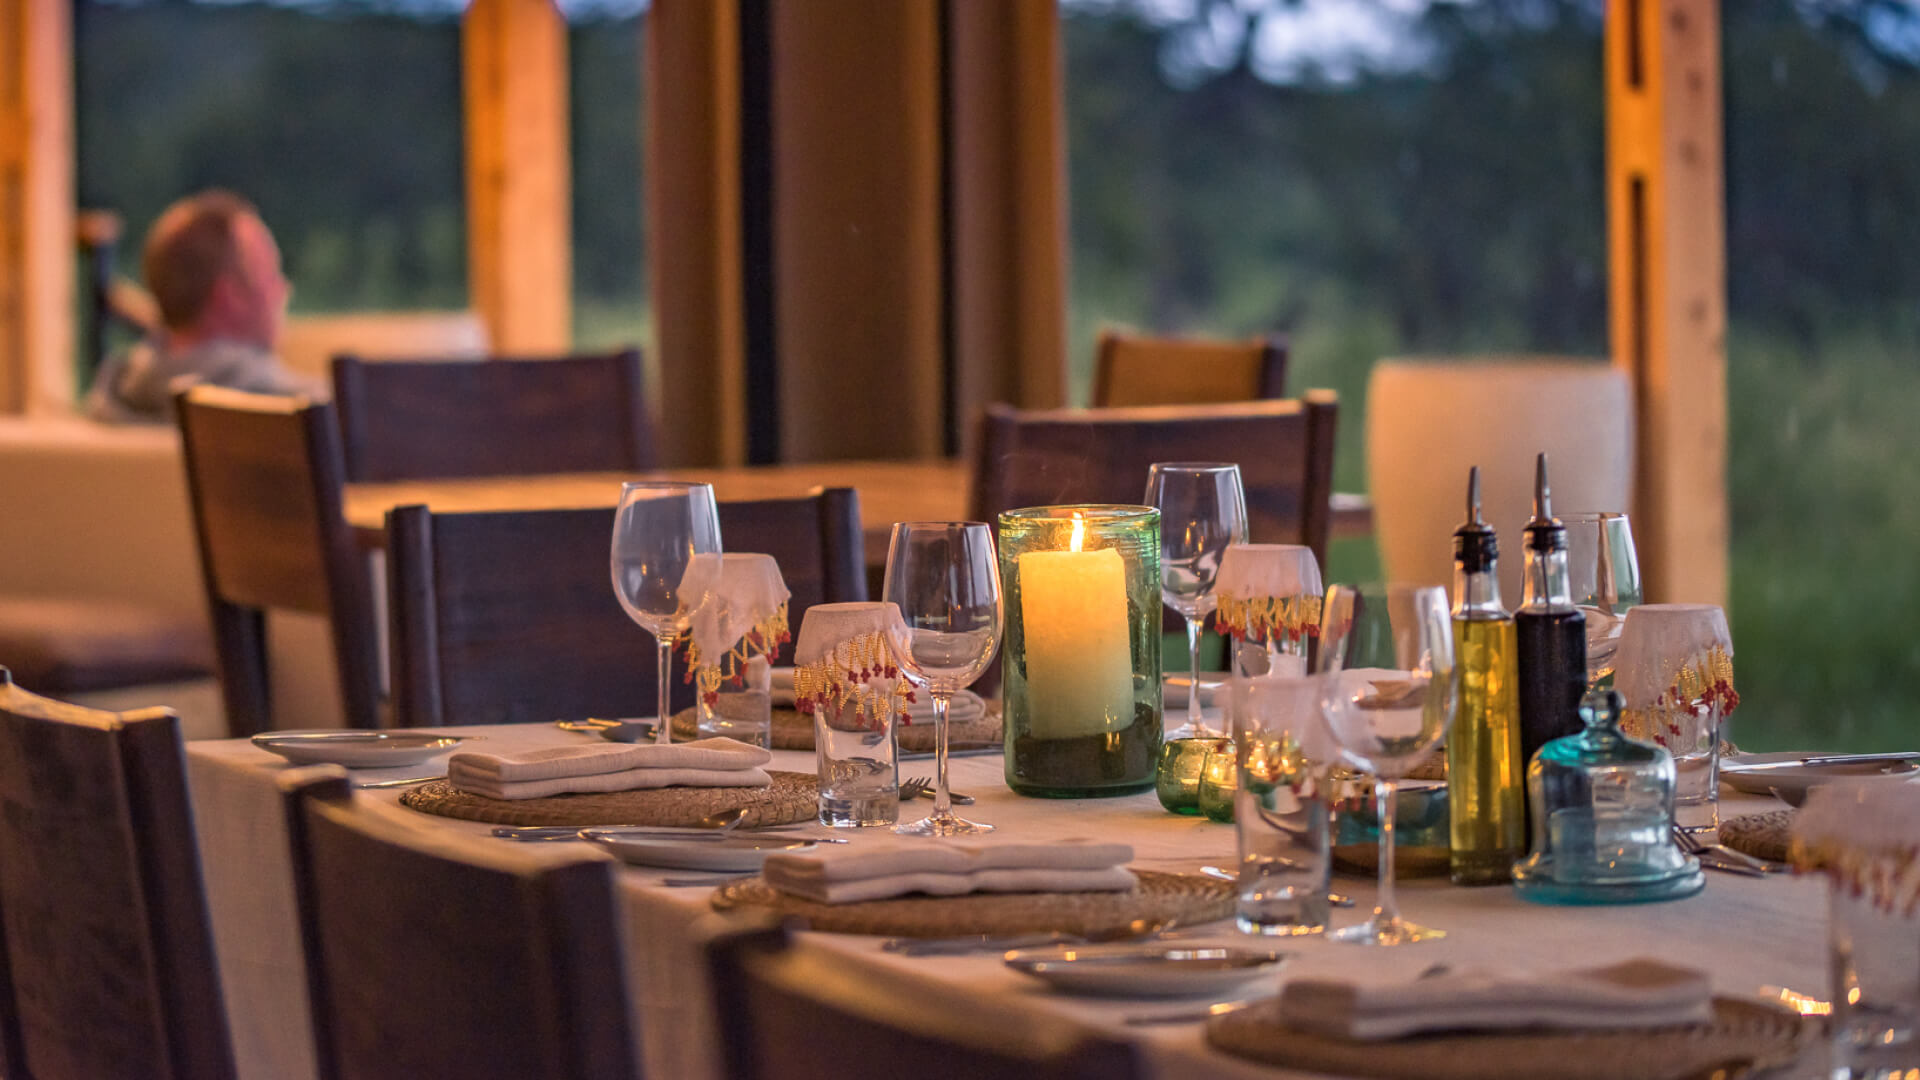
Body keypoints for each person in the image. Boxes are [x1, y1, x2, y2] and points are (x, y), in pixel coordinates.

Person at [85, 190, 325, 422]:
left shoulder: (114, 397)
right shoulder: (301, 413)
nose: (282, 289)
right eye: (270, 275)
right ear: (230, 298)